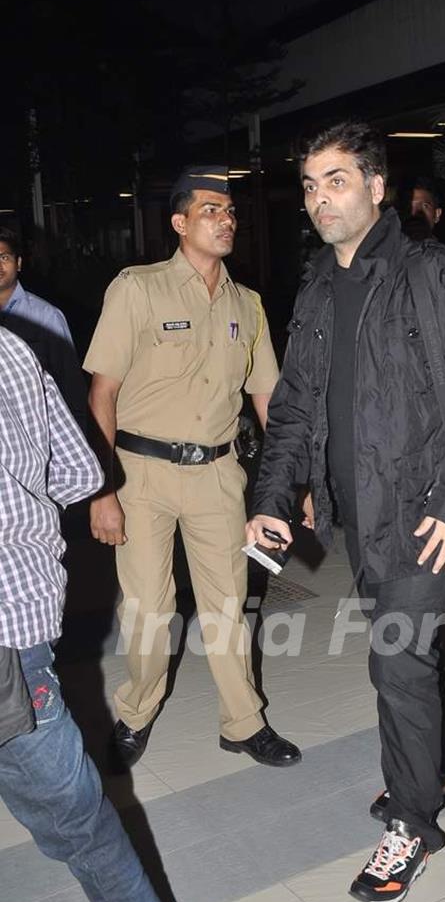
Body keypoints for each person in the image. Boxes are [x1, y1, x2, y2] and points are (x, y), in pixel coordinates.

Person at [247, 121, 445, 902]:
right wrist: (270, 501)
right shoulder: (315, 289)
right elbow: (295, 409)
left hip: (422, 517)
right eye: (309, 184)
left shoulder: (433, 274)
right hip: (356, 519)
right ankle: (427, 765)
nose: (319, 198)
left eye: (336, 180)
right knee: (410, 663)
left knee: (398, 668)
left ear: (376, 187)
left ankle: (412, 823)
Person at [0, 328, 211, 902]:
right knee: (81, 826)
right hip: (20, 631)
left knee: (81, 826)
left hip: (7, 645)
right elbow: (75, 473)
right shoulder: (10, 349)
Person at [84, 165, 300, 770]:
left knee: (228, 605)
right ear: (179, 222)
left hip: (219, 473)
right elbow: (102, 393)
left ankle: (243, 722)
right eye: (211, 210)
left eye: (230, 211)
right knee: (149, 608)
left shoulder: (248, 304)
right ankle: (135, 713)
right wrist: (102, 489)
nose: (225, 219)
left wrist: (292, 481)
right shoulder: (137, 288)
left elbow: (268, 401)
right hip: (140, 473)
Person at [0, 226, 87, 427]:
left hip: (38, 430)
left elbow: (71, 384)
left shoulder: (46, 317)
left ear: (18, 263)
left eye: (4, 258)